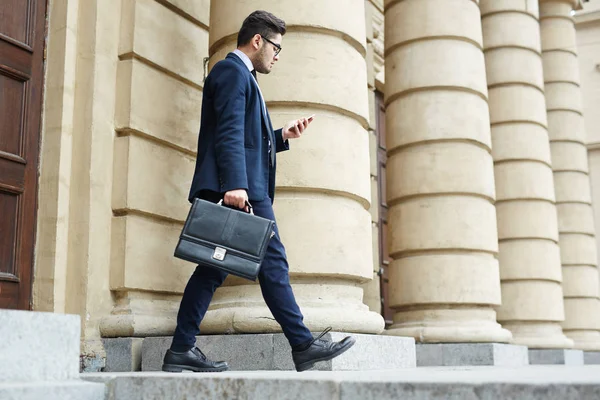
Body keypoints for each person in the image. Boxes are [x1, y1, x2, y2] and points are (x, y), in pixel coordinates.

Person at [162, 10, 356, 373]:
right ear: (257, 41)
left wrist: (281, 136)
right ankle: (302, 344)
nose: (277, 56)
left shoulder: (239, 76)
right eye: (276, 47)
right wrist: (235, 185)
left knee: (212, 271)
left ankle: (180, 349)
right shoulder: (232, 73)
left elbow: (247, 136)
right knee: (273, 263)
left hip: (240, 186)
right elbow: (229, 132)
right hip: (241, 190)